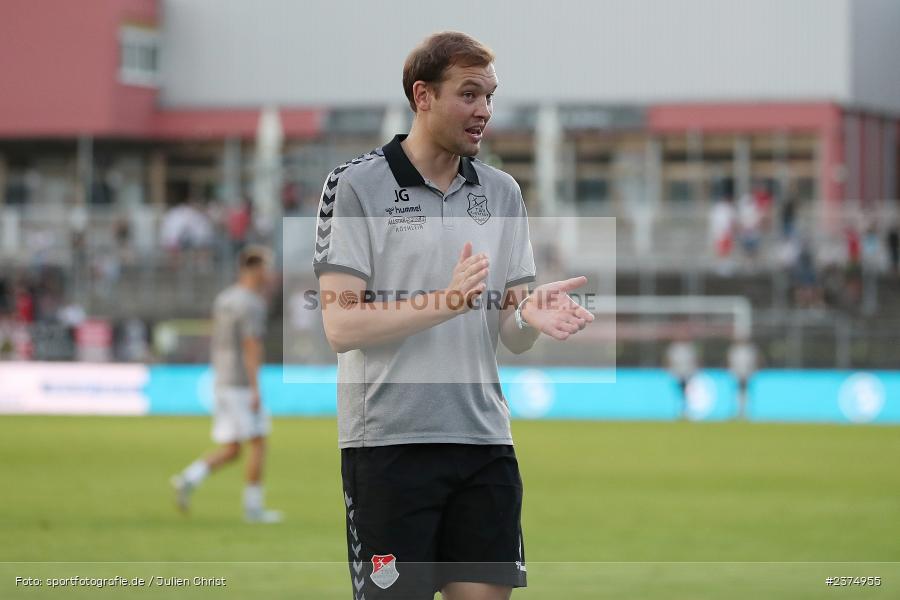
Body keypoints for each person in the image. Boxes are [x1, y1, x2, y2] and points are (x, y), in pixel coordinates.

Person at [313, 31, 594, 600]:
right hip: (388, 446)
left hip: (484, 442)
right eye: (469, 94)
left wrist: (528, 317)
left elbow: (510, 338)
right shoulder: (356, 186)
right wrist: (445, 302)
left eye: (489, 96)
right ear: (423, 96)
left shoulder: (503, 192)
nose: (484, 111)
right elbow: (341, 327)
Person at [170, 245, 282, 523]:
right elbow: (250, 345)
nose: (270, 274)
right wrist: (256, 388)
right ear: (256, 269)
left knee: (233, 448)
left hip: (220, 378)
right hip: (241, 383)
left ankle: (188, 478)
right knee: (258, 442)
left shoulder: (225, 299)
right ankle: (253, 509)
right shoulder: (252, 303)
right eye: (267, 268)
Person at [727, 334, 759, 420]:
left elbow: (754, 361)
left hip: (747, 374)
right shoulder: (735, 350)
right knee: (738, 392)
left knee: (745, 393)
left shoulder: (750, 350)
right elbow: (731, 361)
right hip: (737, 374)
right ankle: (738, 411)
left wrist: (752, 372)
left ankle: (744, 412)